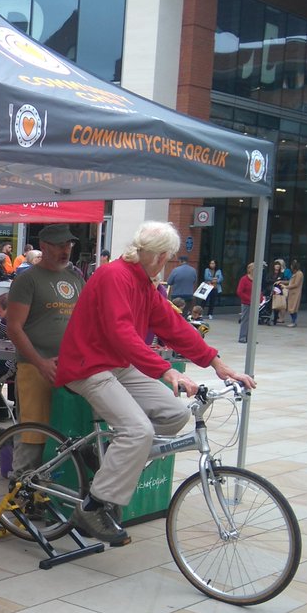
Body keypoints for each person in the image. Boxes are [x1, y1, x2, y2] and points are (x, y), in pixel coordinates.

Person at [55, 221, 255, 545]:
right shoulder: (113, 275)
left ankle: (107, 456)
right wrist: (166, 371)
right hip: (87, 365)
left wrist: (216, 363)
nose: (166, 263)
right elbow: (120, 332)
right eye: (167, 257)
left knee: (175, 414)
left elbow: (174, 325)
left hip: (117, 365)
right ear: (159, 256)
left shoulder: (145, 284)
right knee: (138, 430)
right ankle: (92, 507)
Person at [6, 223, 84, 473]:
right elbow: (14, 328)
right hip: (35, 368)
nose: (66, 249)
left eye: (69, 244)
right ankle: (21, 491)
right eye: (60, 244)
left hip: (70, 368)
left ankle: (53, 492)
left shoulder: (75, 278)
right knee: (33, 434)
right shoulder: (27, 280)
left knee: (67, 432)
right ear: (43, 246)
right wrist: (40, 363)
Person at [236, 263, 254, 344]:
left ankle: (250, 338)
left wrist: (260, 299)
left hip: (255, 304)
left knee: (253, 321)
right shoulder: (244, 279)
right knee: (245, 320)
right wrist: (249, 299)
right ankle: (242, 337)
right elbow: (239, 292)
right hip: (246, 303)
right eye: (253, 268)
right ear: (249, 269)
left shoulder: (256, 279)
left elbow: (259, 289)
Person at [285, 258, 303, 327]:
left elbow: (296, 284)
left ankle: (293, 322)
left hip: (295, 293)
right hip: (292, 293)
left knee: (293, 308)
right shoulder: (295, 274)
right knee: (291, 308)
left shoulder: (299, 274)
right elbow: (290, 282)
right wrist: (282, 282)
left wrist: (286, 287)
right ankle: (293, 321)